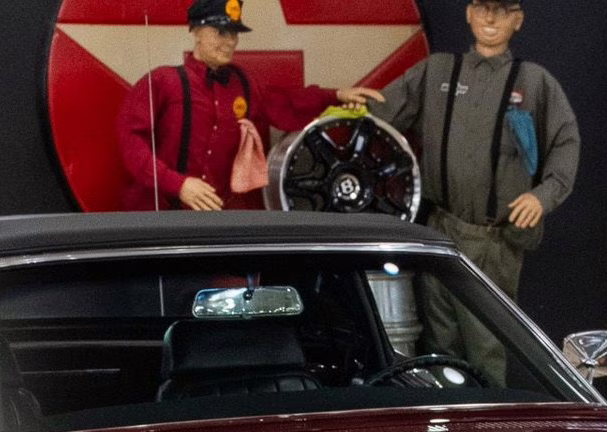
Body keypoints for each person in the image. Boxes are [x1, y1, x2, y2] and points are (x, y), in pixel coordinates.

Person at [372, 0, 580, 382]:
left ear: (517, 19)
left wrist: (542, 196)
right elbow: (380, 110)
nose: (490, 18)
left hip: (493, 240)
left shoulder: (533, 81)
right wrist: (335, 100)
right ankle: (447, 418)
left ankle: (490, 418)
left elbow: (565, 144)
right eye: (483, 7)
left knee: (486, 347)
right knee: (439, 345)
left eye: (501, 10)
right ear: (469, 13)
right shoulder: (437, 71)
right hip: (438, 231)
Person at [117, 0, 384, 213]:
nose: (230, 41)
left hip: (219, 218)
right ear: (196, 31)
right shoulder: (163, 82)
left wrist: (336, 95)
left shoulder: (243, 84)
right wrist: (178, 184)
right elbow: (130, 141)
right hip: (161, 216)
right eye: (221, 32)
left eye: (234, 33)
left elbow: (286, 102)